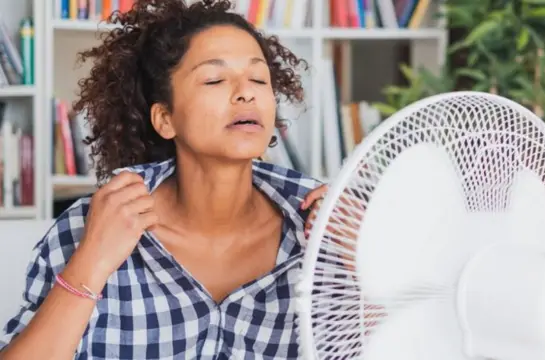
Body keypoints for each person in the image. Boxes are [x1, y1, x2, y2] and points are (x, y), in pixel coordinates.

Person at [0, 0, 330, 359]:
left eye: (259, 78)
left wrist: (365, 262)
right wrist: (92, 261)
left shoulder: (323, 224)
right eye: (215, 79)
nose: (246, 92)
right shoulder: (93, 225)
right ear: (165, 119)